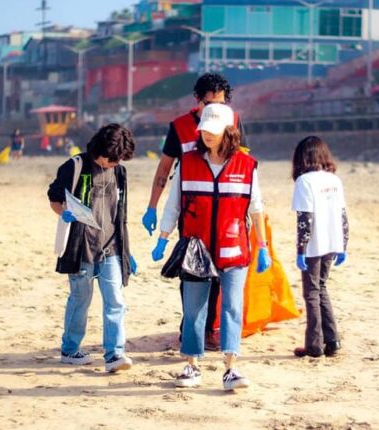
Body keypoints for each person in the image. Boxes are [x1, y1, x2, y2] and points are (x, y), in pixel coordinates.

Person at [151, 103, 271, 391]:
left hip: (234, 249)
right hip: (196, 250)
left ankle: (231, 367)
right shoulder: (188, 163)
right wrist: (163, 238)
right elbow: (174, 205)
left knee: (232, 307)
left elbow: (256, 209)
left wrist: (262, 245)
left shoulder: (247, 165)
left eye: (212, 130)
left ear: (229, 131)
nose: (206, 134)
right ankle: (191, 365)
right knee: (194, 309)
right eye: (203, 128)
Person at [142, 73, 247, 350]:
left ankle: (211, 328)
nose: (215, 109)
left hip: (224, 209)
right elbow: (164, 170)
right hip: (191, 211)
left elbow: (242, 164)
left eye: (221, 103)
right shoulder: (179, 127)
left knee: (221, 274)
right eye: (209, 103)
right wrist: (153, 207)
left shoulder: (233, 122)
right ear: (197, 101)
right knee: (194, 271)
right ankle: (189, 329)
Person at [47, 123, 138, 373]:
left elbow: (120, 214)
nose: (112, 164)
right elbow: (55, 198)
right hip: (80, 246)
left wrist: (126, 250)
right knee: (80, 298)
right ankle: (70, 348)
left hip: (110, 246)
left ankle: (114, 353)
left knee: (115, 300)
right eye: (110, 159)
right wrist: (64, 213)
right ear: (99, 149)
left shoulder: (119, 173)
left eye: (117, 160)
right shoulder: (75, 166)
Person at [291, 136, 349, 358]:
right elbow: (343, 215)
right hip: (332, 243)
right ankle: (332, 341)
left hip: (315, 245)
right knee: (321, 288)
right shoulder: (334, 180)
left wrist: (300, 250)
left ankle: (314, 346)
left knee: (312, 293)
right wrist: (343, 244)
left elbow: (305, 219)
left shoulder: (304, 182)